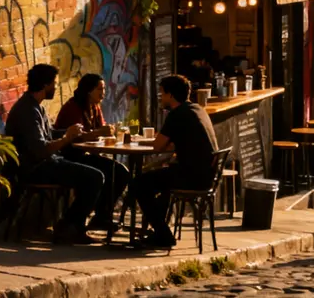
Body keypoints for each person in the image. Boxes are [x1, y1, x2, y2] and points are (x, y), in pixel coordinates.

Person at [5, 64, 107, 245]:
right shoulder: (27, 110)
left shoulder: (37, 107)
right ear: (45, 85)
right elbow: (40, 149)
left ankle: (72, 224)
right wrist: (67, 139)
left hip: (48, 162)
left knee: (96, 171)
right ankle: (69, 226)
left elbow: (49, 134)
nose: (56, 87)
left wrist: (68, 132)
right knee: (94, 177)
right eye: (54, 84)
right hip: (34, 167)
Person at [130, 75, 219, 248]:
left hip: (191, 176)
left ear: (170, 95)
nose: (161, 97)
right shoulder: (196, 109)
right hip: (206, 175)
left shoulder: (177, 114)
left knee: (138, 184)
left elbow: (158, 146)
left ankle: (162, 234)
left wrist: (137, 141)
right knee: (160, 184)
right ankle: (158, 231)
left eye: (162, 93)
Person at [54, 73, 129, 229]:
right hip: (70, 155)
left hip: (87, 155)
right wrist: (99, 133)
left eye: (104, 89)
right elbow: (76, 137)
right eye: (100, 89)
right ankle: (71, 223)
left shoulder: (95, 107)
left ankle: (102, 216)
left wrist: (108, 132)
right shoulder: (73, 107)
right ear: (89, 90)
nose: (103, 93)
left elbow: (100, 130)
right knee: (98, 175)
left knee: (121, 172)